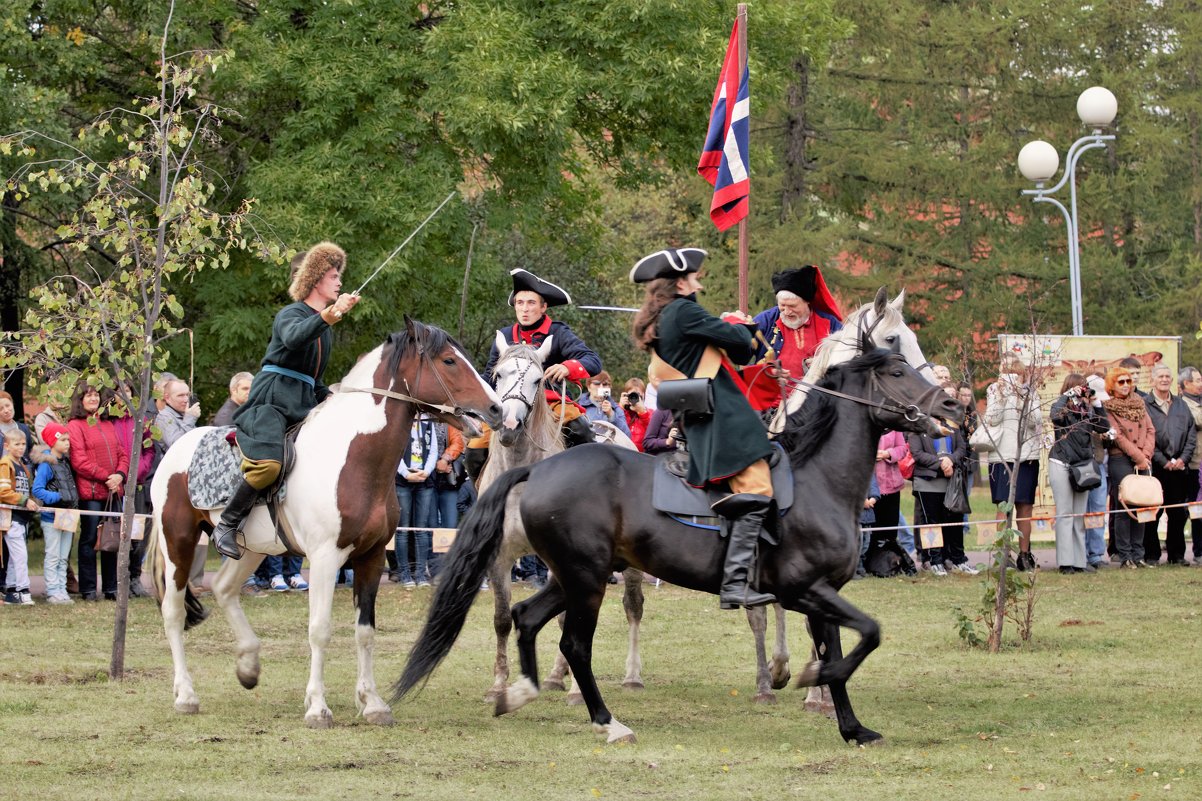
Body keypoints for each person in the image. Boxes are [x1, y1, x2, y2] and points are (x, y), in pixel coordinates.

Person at [631, 246, 774, 609]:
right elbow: (743, 342)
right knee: (757, 489)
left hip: (706, 417)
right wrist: (738, 323)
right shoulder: (684, 310)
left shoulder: (669, 316)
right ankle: (736, 582)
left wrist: (729, 328)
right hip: (723, 419)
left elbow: (743, 354)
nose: (699, 281)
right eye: (694, 276)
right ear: (680, 283)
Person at [214, 243, 359, 559]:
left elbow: (312, 377)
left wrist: (331, 398)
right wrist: (330, 315)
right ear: (316, 280)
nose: (339, 283)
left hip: (303, 404)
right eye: (334, 276)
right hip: (272, 401)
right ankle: (226, 524)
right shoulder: (289, 315)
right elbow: (294, 338)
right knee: (267, 466)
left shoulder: (325, 329)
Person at [67, 380, 130, 601]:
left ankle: (111, 588)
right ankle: (89, 589)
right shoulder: (75, 425)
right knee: (90, 539)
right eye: (88, 395)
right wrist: (107, 477)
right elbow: (79, 461)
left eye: (95, 395)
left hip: (114, 492)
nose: (93, 399)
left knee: (111, 540)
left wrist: (120, 475)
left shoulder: (107, 424)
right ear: (80, 400)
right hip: (92, 493)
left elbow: (123, 454)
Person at [983, 354, 1043, 571]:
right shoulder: (993, 390)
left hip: (1026, 456)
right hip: (1001, 458)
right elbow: (992, 418)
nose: (1009, 376)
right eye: (1005, 371)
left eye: (1014, 372)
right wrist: (1002, 394)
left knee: (1025, 507)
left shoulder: (1030, 392)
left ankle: (1025, 554)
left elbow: (1035, 421)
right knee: (1003, 507)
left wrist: (1021, 398)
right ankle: (1003, 554)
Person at [1048, 373, 1108, 573]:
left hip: (1081, 465)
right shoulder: (1062, 408)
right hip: (1061, 462)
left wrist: (1096, 402)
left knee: (1078, 514)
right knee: (1065, 513)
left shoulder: (1087, 410)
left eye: (1084, 387)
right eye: (1080, 388)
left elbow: (1103, 426)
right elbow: (1055, 416)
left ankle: (1079, 561)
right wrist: (1067, 395)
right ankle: (1065, 562)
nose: (1083, 391)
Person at [752, 266, 843, 392]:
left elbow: (849, 359)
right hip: (770, 403)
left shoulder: (830, 324)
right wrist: (765, 372)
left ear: (807, 302)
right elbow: (741, 351)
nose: (787, 312)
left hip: (815, 403)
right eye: (782, 305)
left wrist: (824, 363)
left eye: (792, 306)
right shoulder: (765, 320)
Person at [1142, 363, 1196, 565]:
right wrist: (1163, 461)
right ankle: (1152, 555)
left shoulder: (1181, 404)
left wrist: (1183, 459)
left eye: (1167, 376)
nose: (1164, 379)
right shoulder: (1145, 404)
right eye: (1160, 376)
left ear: (1172, 380)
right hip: (1156, 468)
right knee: (1153, 514)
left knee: (1178, 514)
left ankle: (1176, 555)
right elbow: (1146, 436)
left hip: (1180, 468)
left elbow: (1191, 435)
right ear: (1152, 380)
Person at [1102, 366, 1156, 569]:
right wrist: (1138, 456)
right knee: (1124, 507)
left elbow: (1150, 429)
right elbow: (1118, 437)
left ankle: (1138, 553)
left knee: (1141, 505)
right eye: (1121, 382)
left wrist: (1146, 455)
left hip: (1143, 458)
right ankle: (1125, 555)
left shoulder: (1139, 403)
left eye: (1128, 381)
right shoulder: (1108, 408)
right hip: (1121, 460)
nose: (1126, 385)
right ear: (1112, 385)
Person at [156, 378, 206, 592]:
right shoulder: (164, 418)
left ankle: (192, 581)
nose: (186, 400)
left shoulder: (183, 415)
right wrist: (189, 420)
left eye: (187, 395)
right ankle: (169, 582)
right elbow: (176, 444)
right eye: (180, 396)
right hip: (171, 487)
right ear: (167, 398)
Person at [109, 385, 155, 597]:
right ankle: (119, 579)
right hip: (115, 485)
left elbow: (149, 451)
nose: (124, 395)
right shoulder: (107, 421)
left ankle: (135, 577)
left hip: (137, 484)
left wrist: (136, 472)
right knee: (118, 535)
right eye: (120, 391)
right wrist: (120, 474)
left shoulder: (141, 420)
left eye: (128, 391)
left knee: (139, 535)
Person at [907, 426, 973, 575]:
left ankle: (958, 560)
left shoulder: (952, 426)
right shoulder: (919, 427)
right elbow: (917, 453)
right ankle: (935, 561)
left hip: (951, 481)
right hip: (927, 481)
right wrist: (941, 463)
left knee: (956, 521)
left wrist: (950, 460)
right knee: (932, 522)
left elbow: (962, 448)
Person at [31, 423, 78, 603]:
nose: (67, 443)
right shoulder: (46, 464)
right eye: (63, 439)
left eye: (68, 439)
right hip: (52, 517)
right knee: (53, 555)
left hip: (67, 516)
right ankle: (52, 590)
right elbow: (38, 489)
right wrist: (58, 496)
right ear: (52, 441)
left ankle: (62, 590)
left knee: (63, 556)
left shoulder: (65, 462)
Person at [395, 415, 438, 588]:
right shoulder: (400, 419)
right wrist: (406, 474)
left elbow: (434, 449)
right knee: (403, 529)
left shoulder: (428, 422)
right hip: (403, 478)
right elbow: (394, 449)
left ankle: (420, 574)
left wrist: (426, 472)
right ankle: (405, 574)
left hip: (424, 479)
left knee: (422, 529)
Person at [0, 428, 38, 604]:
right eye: (17, 444)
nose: (21, 447)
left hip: (23, 517)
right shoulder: (5, 464)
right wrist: (24, 500)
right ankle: (23, 591)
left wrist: (30, 501)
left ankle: (12, 591)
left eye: (23, 444)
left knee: (17, 557)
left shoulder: (22, 466)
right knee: (21, 555)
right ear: (7, 446)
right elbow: (3, 492)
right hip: (11, 516)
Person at [1178, 366, 1202, 563]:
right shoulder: (1182, 404)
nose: (1201, 383)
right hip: (1195, 464)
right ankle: (1199, 551)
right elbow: (1197, 420)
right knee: (1196, 509)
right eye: (1198, 380)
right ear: (1186, 383)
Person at [579, 372, 632, 438]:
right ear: (589, 387)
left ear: (609, 387)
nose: (601, 387)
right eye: (597, 383)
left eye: (605, 384)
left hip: (608, 447)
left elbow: (627, 435)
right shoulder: (578, 406)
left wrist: (611, 415)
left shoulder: (616, 408)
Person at [620, 378, 652, 451]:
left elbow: (652, 432)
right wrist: (621, 408)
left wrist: (642, 412)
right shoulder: (620, 411)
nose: (635, 399)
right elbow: (617, 427)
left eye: (638, 396)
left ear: (644, 396)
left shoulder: (649, 412)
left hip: (642, 456)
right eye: (631, 396)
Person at [0, 390, 34, 457]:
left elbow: (29, 453)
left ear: (12, 404)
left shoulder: (24, 428)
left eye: (8, 405)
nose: (6, 410)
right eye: (1, 409)